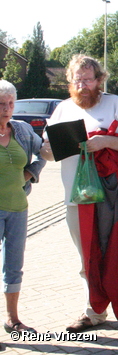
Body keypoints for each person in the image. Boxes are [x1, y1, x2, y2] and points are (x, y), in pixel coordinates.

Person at [41, 54, 118, 337]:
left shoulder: (114, 103)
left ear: (99, 79)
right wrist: (52, 150)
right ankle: (94, 312)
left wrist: (104, 141)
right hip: (77, 198)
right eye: (77, 79)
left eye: (88, 79)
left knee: (117, 254)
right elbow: (46, 151)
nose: (83, 84)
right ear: (70, 81)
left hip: (111, 196)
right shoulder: (62, 109)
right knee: (87, 259)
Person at [0, 80, 46, 336]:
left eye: (10, 103)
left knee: (14, 265)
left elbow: (44, 152)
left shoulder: (22, 130)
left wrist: (30, 172)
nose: (7, 109)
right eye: (1, 104)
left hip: (18, 208)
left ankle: (13, 319)